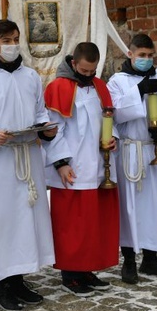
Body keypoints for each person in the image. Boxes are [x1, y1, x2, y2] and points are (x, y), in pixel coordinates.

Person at [0, 19, 57, 311]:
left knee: (25, 220)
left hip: (27, 156)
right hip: (0, 162)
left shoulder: (30, 76)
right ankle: (2, 285)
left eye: (15, 39)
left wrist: (45, 127)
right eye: (6, 40)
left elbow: (39, 109)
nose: (12, 45)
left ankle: (19, 279)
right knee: (2, 221)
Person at [107, 33, 157, 283]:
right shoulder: (118, 81)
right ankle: (129, 260)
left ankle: (151, 258)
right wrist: (139, 91)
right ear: (130, 54)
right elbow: (113, 113)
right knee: (131, 208)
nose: (146, 60)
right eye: (141, 55)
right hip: (131, 152)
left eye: (151, 55)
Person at [43, 43, 119, 295]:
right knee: (72, 224)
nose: (89, 75)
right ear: (74, 63)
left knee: (93, 223)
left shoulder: (99, 86)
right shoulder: (58, 88)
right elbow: (53, 131)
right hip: (72, 166)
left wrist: (113, 138)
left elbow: (108, 119)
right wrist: (61, 163)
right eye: (84, 70)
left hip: (98, 164)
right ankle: (70, 274)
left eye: (93, 70)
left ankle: (87, 269)